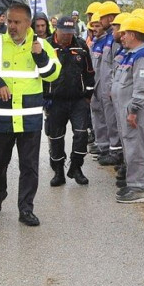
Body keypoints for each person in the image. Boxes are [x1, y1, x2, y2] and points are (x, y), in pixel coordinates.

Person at [0, 2, 61, 226]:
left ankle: (26, 208)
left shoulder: (40, 45)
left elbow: (53, 74)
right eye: (9, 21)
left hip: (29, 117)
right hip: (1, 116)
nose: (11, 26)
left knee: (29, 165)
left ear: (28, 23)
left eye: (17, 22)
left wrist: (40, 57)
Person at [111, 14, 144, 203]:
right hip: (129, 111)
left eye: (126, 33)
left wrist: (133, 111)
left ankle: (139, 189)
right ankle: (133, 183)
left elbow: (141, 86)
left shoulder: (142, 55)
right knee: (130, 147)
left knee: (136, 148)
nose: (122, 36)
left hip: (137, 113)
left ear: (135, 34)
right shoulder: (133, 54)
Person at [44, 16, 95, 186]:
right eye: (64, 32)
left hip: (78, 100)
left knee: (81, 135)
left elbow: (89, 72)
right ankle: (58, 171)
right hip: (55, 101)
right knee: (56, 137)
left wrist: (88, 95)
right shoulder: (46, 45)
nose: (67, 36)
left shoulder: (80, 45)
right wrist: (44, 98)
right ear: (56, 30)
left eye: (70, 32)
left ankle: (76, 166)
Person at [90, 2, 123, 166]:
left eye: (102, 18)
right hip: (103, 85)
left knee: (113, 120)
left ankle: (116, 151)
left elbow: (116, 65)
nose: (100, 21)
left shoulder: (115, 38)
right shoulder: (109, 37)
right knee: (107, 119)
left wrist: (112, 87)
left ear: (110, 17)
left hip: (110, 86)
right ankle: (110, 148)